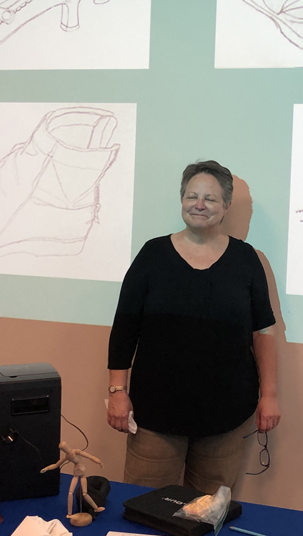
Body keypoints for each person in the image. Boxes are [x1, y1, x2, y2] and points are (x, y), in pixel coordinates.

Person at [106, 160, 280, 493]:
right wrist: (117, 392)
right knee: (144, 509)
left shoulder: (246, 260)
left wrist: (269, 395)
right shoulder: (152, 255)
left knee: (208, 514)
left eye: (210, 199)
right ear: (182, 200)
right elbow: (125, 328)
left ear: (226, 206)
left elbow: (264, 333)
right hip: (155, 417)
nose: (199, 204)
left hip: (225, 420)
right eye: (191, 196)